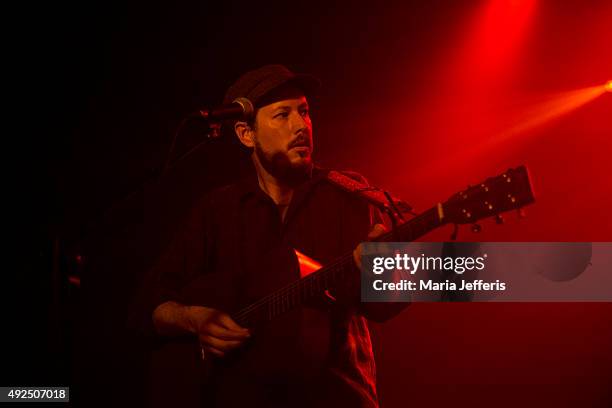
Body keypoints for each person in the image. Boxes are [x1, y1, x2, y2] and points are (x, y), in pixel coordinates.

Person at [130, 64, 408, 407]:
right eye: (282, 115)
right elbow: (148, 305)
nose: (300, 126)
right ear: (247, 134)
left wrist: (393, 270)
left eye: (304, 112)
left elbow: (383, 306)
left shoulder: (346, 196)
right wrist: (195, 319)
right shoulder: (218, 210)